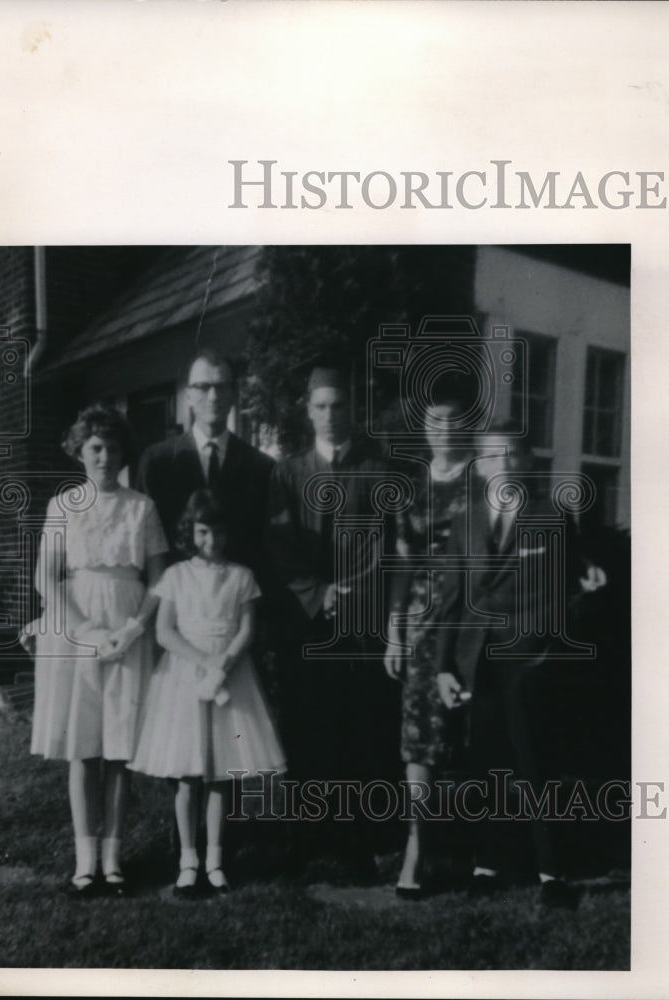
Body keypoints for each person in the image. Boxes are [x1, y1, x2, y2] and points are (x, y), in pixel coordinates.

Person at [434, 421, 606, 908]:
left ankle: (552, 873)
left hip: (530, 658)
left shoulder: (551, 516)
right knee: (484, 762)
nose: (501, 465)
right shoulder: (465, 520)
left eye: (511, 455)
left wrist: (580, 605)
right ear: (480, 465)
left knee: (535, 762)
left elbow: (574, 586)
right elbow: (451, 600)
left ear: (528, 462)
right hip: (477, 659)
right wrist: (444, 666)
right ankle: (487, 867)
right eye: (491, 456)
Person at [22, 404, 168, 896]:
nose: (105, 457)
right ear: (80, 452)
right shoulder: (63, 507)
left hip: (129, 623)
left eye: (113, 448)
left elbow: (160, 575)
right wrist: (84, 631)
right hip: (77, 627)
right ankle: (85, 862)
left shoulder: (141, 507)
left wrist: (132, 629)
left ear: (124, 452)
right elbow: (47, 576)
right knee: (84, 747)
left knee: (120, 748)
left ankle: (114, 859)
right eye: (95, 448)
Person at [266, 364, 399, 882]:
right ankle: (306, 838)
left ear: (352, 409)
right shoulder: (288, 471)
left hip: (361, 624)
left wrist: (353, 595)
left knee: (359, 730)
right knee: (306, 729)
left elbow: (385, 545)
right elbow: (277, 543)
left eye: (338, 405)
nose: (329, 415)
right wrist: (319, 594)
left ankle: (358, 844)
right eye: (319, 406)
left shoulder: (378, 469)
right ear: (308, 410)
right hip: (307, 623)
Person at [128, 490, 286, 897]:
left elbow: (248, 630)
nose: (211, 540)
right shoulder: (177, 576)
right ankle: (188, 861)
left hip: (231, 676)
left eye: (217, 531)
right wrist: (204, 661)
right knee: (188, 775)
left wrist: (225, 664)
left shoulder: (241, 576)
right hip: (185, 676)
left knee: (221, 776)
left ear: (227, 533)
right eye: (203, 531)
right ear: (191, 533)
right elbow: (164, 631)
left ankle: (216, 860)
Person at [383, 392, 474, 899]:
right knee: (419, 737)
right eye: (433, 419)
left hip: (474, 617)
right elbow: (401, 564)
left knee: (473, 731)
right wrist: (394, 631)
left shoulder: (481, 482)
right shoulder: (413, 487)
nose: (441, 427)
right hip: (420, 620)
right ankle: (416, 849)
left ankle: (486, 848)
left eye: (452, 418)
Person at [136, 347, 274, 583]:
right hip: (175, 602)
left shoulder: (260, 467)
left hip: (236, 602)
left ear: (233, 395)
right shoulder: (158, 461)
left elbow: (266, 546)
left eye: (221, 387)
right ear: (188, 395)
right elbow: (143, 540)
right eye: (202, 387)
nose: (213, 396)